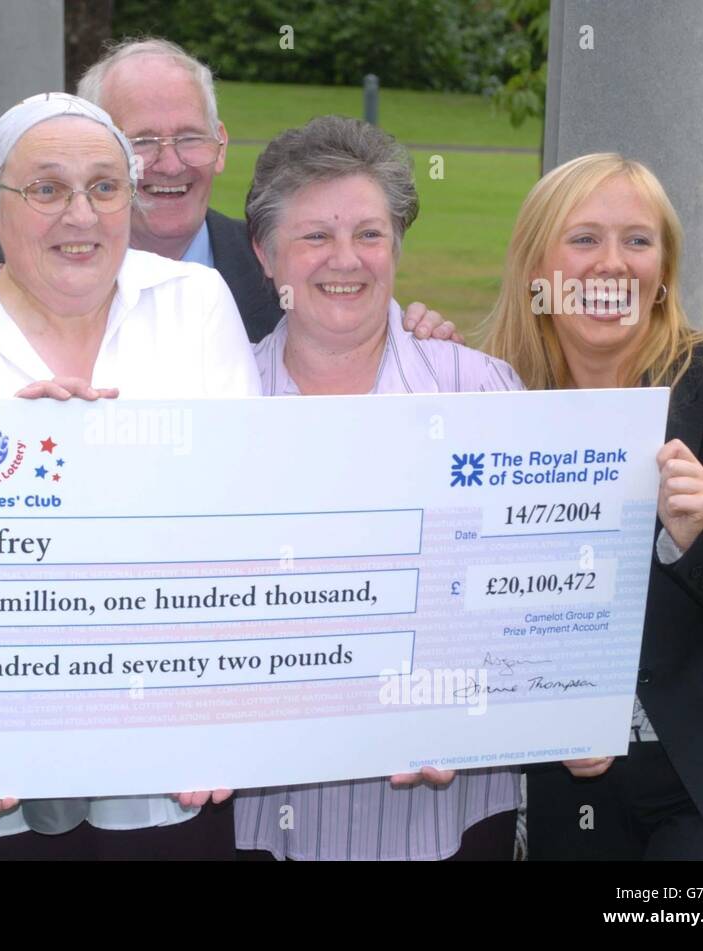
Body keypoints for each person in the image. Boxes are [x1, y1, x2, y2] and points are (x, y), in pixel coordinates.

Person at [0, 92, 255, 860]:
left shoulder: (196, 303)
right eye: (47, 189)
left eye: (104, 186)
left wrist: (220, 713)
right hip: (4, 756)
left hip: (170, 742)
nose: (81, 215)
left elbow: (239, 515)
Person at [481, 152, 703, 860]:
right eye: (584, 238)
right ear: (537, 267)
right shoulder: (495, 403)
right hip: (570, 790)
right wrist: (547, 716)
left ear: (663, 272)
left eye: (638, 240)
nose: (611, 264)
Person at [233, 116, 524, 861]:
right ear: (266, 255)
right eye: (315, 237)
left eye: (369, 233)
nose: (346, 260)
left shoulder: (478, 389)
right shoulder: (220, 405)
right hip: (274, 818)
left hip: (451, 811)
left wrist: (485, 716)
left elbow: (523, 596)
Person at [0, 38, 457, 347]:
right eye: (142, 141)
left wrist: (410, 334)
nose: (170, 163)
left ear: (221, 146)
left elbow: (349, 336)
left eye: (190, 137)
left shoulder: (278, 263)